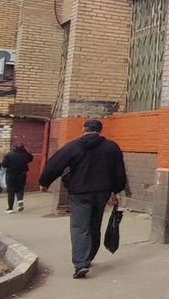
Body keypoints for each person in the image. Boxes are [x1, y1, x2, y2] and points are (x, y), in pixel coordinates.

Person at [39, 119, 128, 279]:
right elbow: (119, 171)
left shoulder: (73, 146)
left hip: (80, 192)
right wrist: (117, 191)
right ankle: (89, 257)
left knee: (80, 227)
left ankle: (81, 263)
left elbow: (55, 164)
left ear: (83, 129)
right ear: (100, 130)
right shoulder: (111, 147)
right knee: (94, 224)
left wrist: (44, 182)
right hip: (102, 192)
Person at [0, 142, 34, 213]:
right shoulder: (25, 155)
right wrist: (25, 151)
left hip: (11, 174)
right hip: (22, 174)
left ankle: (10, 208)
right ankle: (20, 200)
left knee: (11, 191)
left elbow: (4, 164)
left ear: (14, 148)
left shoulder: (9, 155)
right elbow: (31, 158)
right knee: (20, 188)